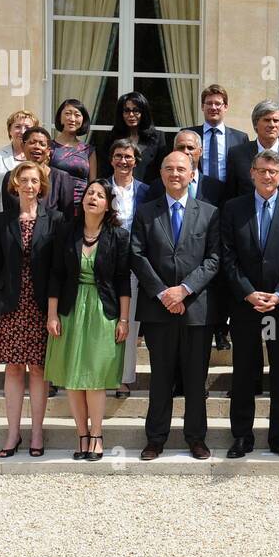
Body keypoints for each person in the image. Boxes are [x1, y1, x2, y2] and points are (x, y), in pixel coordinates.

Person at [131, 151, 222, 461]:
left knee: (196, 380)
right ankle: (155, 438)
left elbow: (213, 260)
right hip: (158, 310)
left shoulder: (209, 212)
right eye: (169, 168)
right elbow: (137, 255)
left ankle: (196, 438)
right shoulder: (145, 212)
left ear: (192, 173)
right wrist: (163, 293)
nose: (175, 173)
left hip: (196, 309)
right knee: (160, 378)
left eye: (181, 169)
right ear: (160, 172)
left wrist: (183, 291)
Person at [220, 152, 279, 458]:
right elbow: (227, 257)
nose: (267, 176)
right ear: (252, 173)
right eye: (262, 171)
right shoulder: (233, 208)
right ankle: (242, 436)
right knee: (244, 371)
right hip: (245, 306)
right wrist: (247, 292)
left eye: (273, 172)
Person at [46, 180, 132, 462]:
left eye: (99, 195)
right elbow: (55, 273)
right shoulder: (66, 231)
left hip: (103, 310)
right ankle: (81, 434)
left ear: (108, 204)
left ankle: (96, 435)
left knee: (95, 378)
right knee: (72, 377)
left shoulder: (118, 236)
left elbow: (122, 281)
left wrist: (123, 319)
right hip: (70, 310)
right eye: (89, 193)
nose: (92, 197)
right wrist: (52, 314)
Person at [0, 162, 61, 457]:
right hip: (10, 305)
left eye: (34, 180)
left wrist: (54, 311)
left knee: (40, 369)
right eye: (23, 180)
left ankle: (37, 433)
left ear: (41, 186)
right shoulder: (2, 221)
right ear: (14, 185)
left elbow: (57, 269)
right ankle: (13, 433)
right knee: (14, 368)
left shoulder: (55, 219)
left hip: (41, 305)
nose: (29, 185)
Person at [108, 139, 152, 398]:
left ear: (136, 161)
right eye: (118, 156)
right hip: (105, 262)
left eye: (128, 156)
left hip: (135, 263)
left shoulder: (146, 191)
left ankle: (124, 378)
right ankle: (103, 373)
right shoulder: (101, 188)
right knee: (105, 322)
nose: (123, 161)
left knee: (130, 322)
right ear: (111, 159)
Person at [224, 99, 279, 203]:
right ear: (256, 123)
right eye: (266, 120)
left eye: (276, 120)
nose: (272, 125)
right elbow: (231, 195)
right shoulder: (237, 154)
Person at [185, 84, 250, 206]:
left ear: (225, 107)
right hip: (197, 198)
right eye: (209, 103)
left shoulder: (240, 138)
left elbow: (243, 173)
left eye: (217, 103)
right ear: (202, 107)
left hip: (229, 200)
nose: (213, 107)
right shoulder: (189, 134)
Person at [1, 128, 75, 219]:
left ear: (48, 151)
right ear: (23, 146)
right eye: (32, 142)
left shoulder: (61, 178)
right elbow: (7, 214)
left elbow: (68, 218)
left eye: (42, 144)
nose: (37, 146)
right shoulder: (11, 177)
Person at [109, 91, 166, 181]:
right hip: (118, 190)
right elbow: (105, 169)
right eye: (127, 111)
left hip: (149, 191)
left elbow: (162, 169)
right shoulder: (112, 137)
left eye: (136, 110)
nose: (131, 115)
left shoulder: (157, 137)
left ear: (143, 113)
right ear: (121, 114)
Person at [51, 98, 96, 208]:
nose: (72, 119)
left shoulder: (88, 150)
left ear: (83, 120)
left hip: (80, 207)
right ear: (60, 118)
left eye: (77, 115)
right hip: (55, 205)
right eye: (67, 114)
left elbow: (92, 183)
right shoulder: (49, 147)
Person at [0, 109, 38, 212]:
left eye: (27, 127)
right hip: (5, 215)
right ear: (10, 130)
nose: (22, 131)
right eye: (17, 127)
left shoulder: (38, 156)